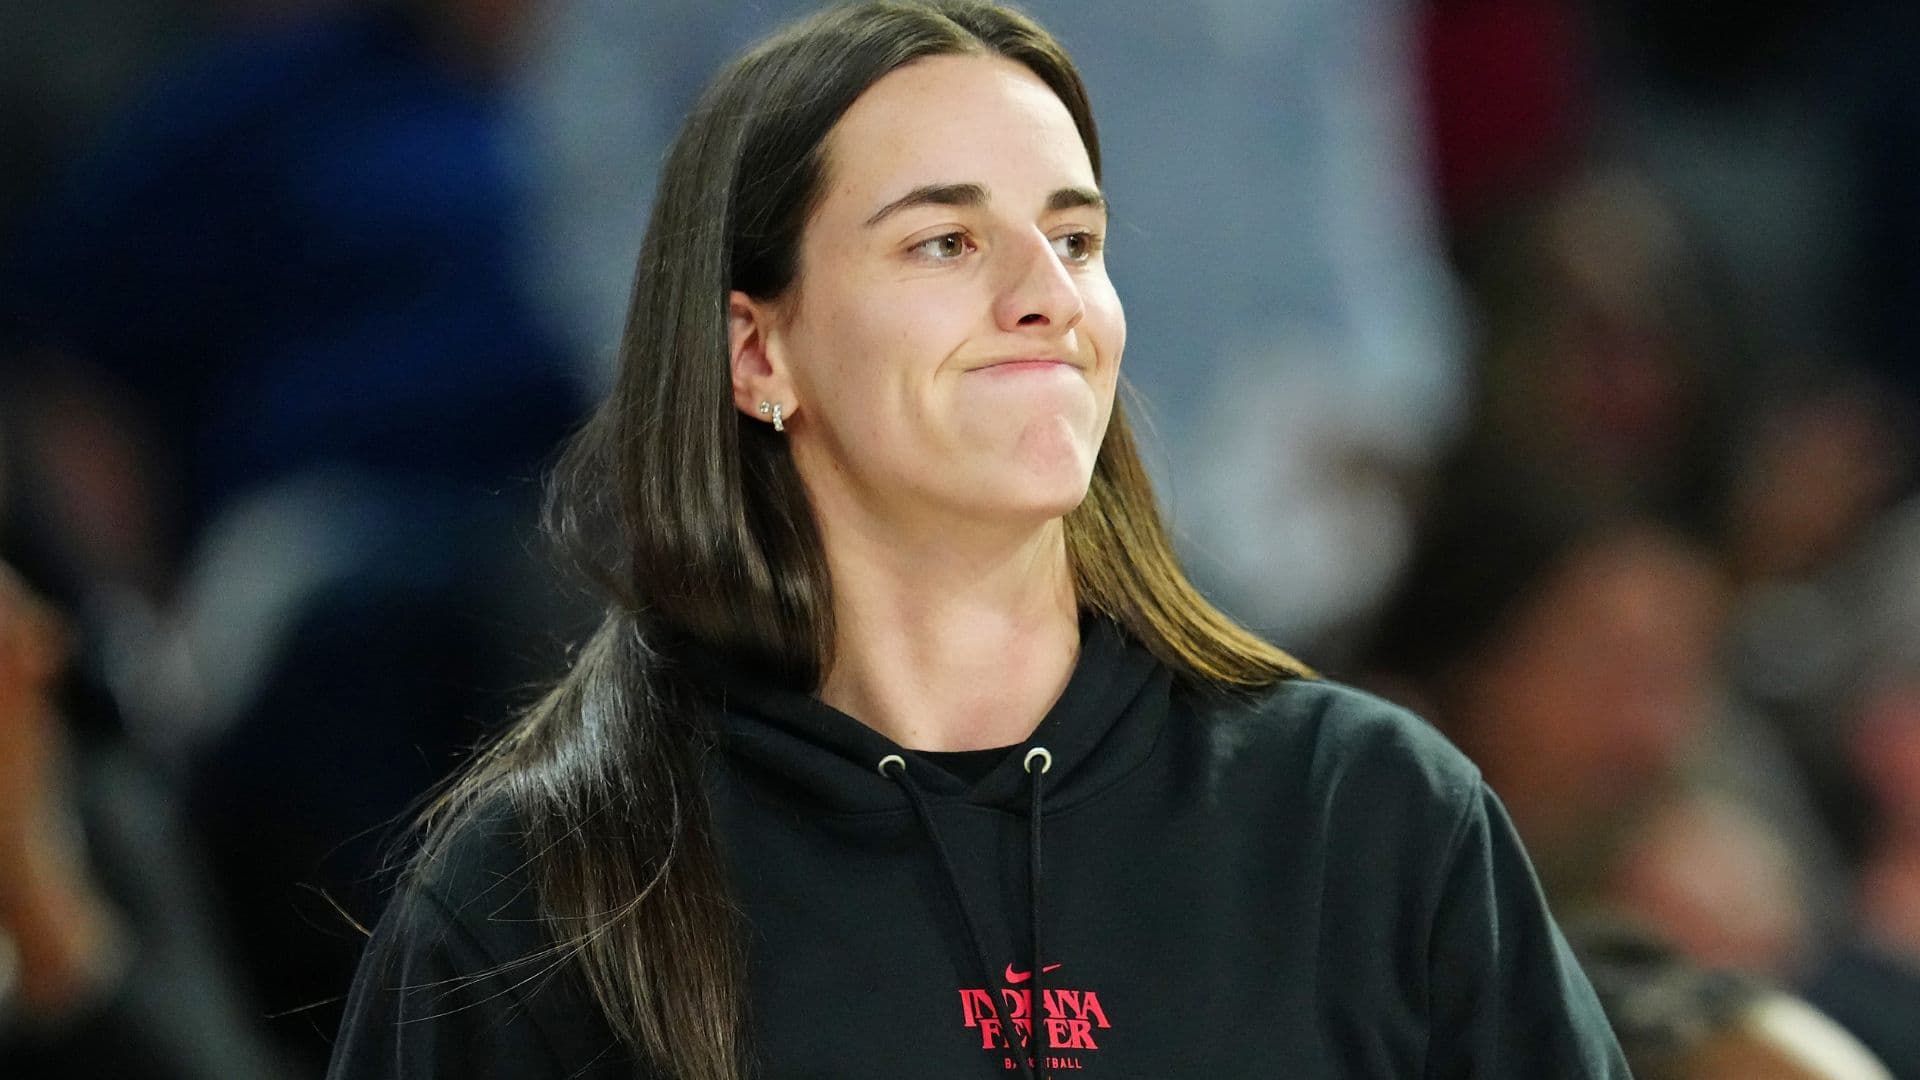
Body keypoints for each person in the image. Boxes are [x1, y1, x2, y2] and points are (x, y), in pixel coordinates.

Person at [325, 2, 1629, 1077]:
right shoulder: (545, 895)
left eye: (1075, 239)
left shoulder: (1372, 816)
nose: (1047, 297)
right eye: (945, 242)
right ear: (756, 353)